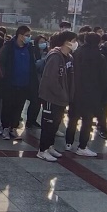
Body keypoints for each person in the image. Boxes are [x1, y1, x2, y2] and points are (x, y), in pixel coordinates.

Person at [36, 31, 76, 161]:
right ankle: (42, 150)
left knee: (55, 124)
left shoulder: (69, 57)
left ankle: (50, 146)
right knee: (48, 124)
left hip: (62, 99)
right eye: (73, 41)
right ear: (66, 42)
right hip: (51, 97)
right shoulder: (55, 56)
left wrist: (69, 95)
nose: (75, 43)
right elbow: (50, 79)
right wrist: (61, 93)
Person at [65, 32, 106, 156]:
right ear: (99, 42)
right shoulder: (100, 57)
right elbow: (103, 78)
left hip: (76, 92)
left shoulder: (76, 54)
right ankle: (82, 146)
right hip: (92, 94)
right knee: (87, 121)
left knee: (73, 119)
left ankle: (68, 143)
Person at [0, 25, 36, 141]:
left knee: (19, 107)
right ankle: (5, 128)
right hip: (10, 83)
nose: (29, 37)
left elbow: (32, 64)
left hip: (24, 84)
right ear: (20, 35)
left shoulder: (29, 48)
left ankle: (13, 127)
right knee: (7, 106)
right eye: (27, 35)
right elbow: (0, 62)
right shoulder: (8, 46)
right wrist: (4, 77)